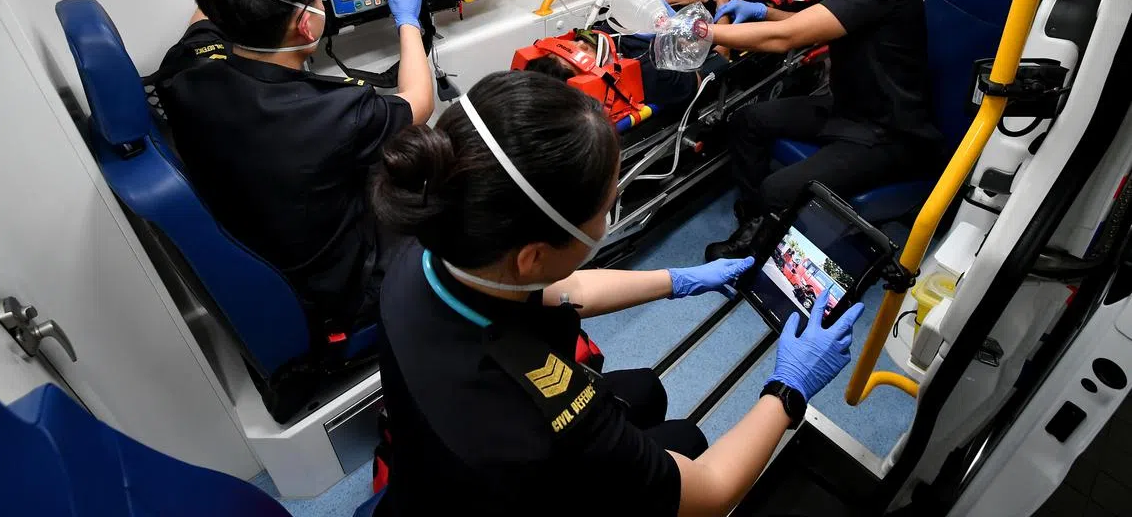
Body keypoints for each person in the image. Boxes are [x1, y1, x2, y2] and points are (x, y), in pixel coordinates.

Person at [370, 70, 865, 516]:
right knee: (689, 442)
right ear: (532, 256)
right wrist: (789, 389)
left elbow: (565, 288)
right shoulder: (560, 417)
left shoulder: (432, 241)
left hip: (431, 482)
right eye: (604, 210)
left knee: (646, 391)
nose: (607, 223)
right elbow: (711, 491)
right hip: (509, 482)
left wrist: (680, 280)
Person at [154, 0, 434, 330]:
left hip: (272, 247)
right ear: (306, 25)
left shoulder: (188, 71)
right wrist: (407, 21)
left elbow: (215, 0)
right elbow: (419, 101)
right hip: (342, 291)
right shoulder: (331, 113)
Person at [703, 0, 944, 261]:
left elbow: (789, 37)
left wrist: (704, 34)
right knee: (749, 121)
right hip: (850, 109)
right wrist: (758, 13)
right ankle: (757, 224)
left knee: (777, 188)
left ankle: (756, 247)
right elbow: (806, 23)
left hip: (888, 131)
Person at [524, 0, 726, 107]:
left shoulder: (594, 36)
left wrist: (671, 0)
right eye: (575, 59)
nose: (580, 45)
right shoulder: (648, 72)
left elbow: (630, 13)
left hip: (678, 12)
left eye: (564, 48)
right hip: (712, 30)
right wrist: (725, 9)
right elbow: (717, 62)